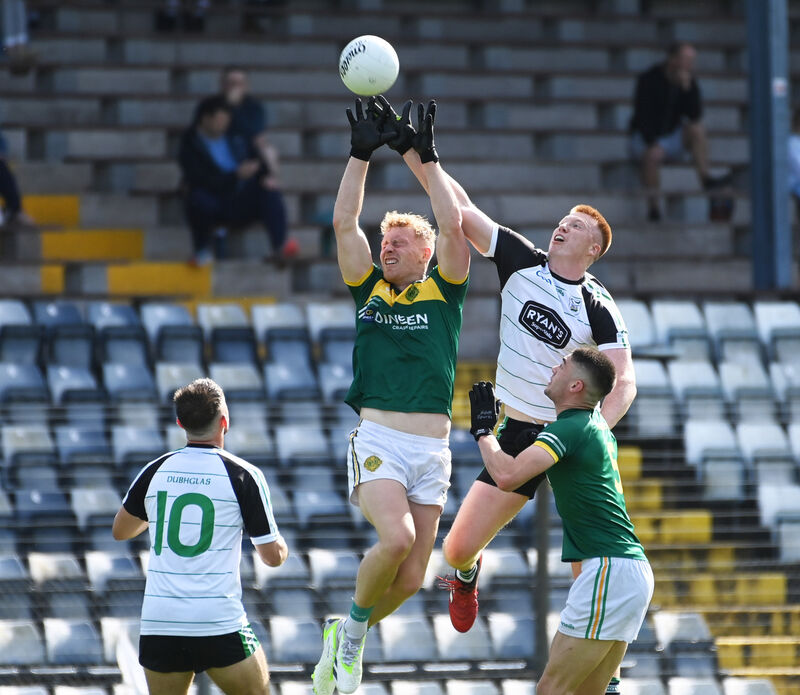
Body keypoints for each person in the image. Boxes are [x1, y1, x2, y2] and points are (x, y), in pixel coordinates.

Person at [374, 95, 635, 695]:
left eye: (577, 226)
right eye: (564, 219)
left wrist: (595, 430)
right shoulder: (522, 262)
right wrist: (419, 155)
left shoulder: (597, 303)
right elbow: (459, 212)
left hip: (567, 438)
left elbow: (624, 380)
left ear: (592, 249)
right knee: (457, 547)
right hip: (516, 430)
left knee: (590, 562)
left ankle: (609, 676)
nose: (563, 225)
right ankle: (466, 577)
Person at [311, 97, 470, 695]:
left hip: (433, 451)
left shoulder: (446, 291)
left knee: (409, 579)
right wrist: (360, 156)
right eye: (387, 241)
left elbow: (454, 224)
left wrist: (426, 160)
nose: (388, 248)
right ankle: (351, 640)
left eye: (401, 242)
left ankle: (343, 631)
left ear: (425, 253)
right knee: (396, 539)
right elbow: (343, 224)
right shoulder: (369, 290)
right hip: (379, 438)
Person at [469, 349, 653, 695]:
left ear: (576, 386)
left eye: (563, 366)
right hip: (625, 570)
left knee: (551, 689)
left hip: (608, 570)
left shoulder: (569, 428)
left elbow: (506, 476)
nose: (555, 368)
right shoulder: (592, 425)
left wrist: (482, 431)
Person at [112, 378, 288, 695]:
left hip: (161, 623)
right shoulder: (243, 474)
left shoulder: (155, 470)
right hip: (217, 621)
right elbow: (272, 557)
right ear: (225, 422)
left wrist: (156, 514)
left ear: (180, 422)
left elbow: (121, 530)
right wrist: (282, 546)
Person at [178, 95, 296, 265]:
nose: (224, 124)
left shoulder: (235, 136)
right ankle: (202, 249)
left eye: (226, 120)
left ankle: (279, 248)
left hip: (239, 196)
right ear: (205, 118)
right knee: (196, 198)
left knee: (269, 191)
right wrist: (235, 176)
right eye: (220, 120)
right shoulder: (191, 144)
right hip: (213, 198)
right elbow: (199, 179)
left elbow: (257, 161)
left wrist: (263, 176)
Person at [629, 41, 730, 221]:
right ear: (673, 59)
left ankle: (705, 178)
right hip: (647, 137)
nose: (690, 64)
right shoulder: (649, 79)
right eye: (686, 59)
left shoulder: (688, 81)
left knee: (697, 129)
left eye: (692, 60)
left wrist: (687, 89)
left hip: (671, 137)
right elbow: (642, 116)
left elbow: (695, 115)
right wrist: (653, 142)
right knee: (652, 156)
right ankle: (654, 208)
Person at [220, 66, 297, 258]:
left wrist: (269, 174)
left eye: (239, 84)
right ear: (222, 86)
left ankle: (279, 248)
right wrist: (229, 107)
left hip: (245, 191)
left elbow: (256, 136)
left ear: (246, 86)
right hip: (220, 190)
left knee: (270, 189)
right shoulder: (214, 109)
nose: (235, 89)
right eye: (231, 84)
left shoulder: (253, 109)